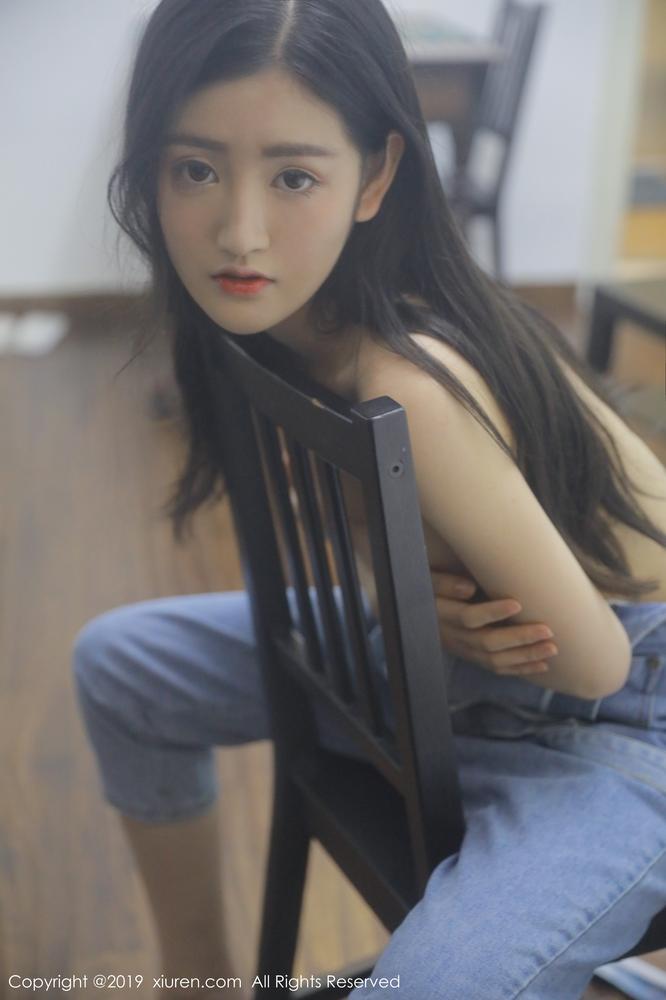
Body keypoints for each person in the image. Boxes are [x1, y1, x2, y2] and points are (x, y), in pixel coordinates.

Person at [72, 0, 666, 997]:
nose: (239, 231)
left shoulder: (410, 383)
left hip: (623, 709)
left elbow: (596, 661)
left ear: (377, 176)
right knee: (124, 666)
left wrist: (417, 611)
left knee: (437, 980)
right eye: (196, 170)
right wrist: (412, 607)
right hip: (461, 670)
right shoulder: (265, 319)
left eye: (294, 176)